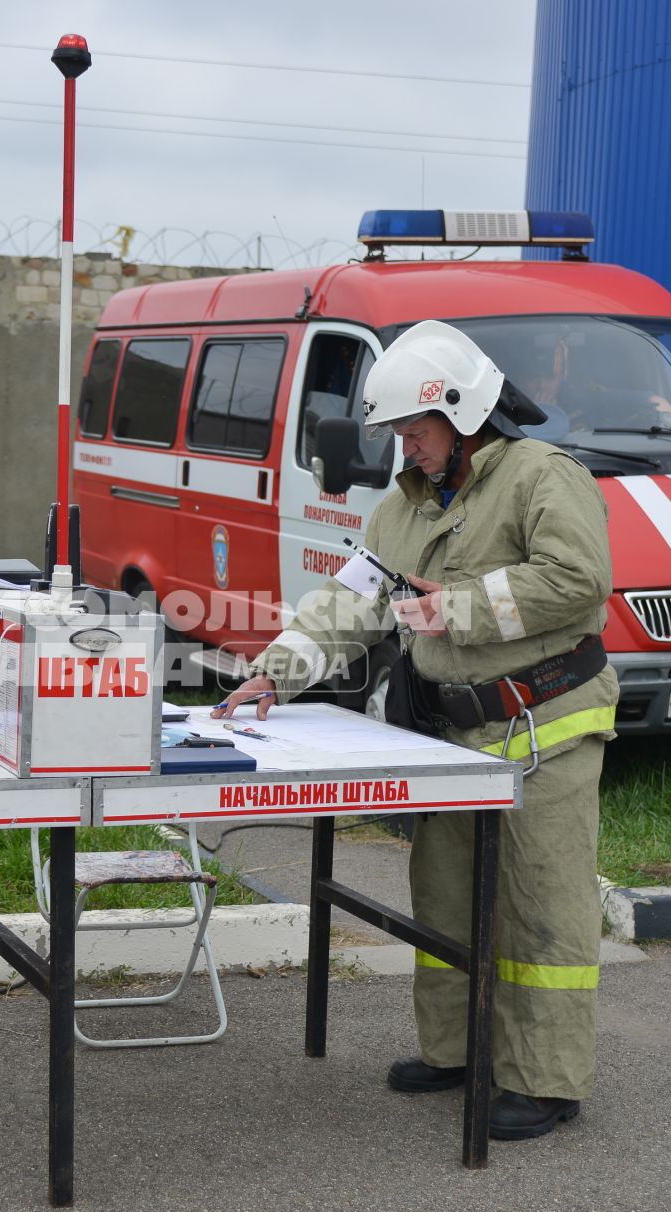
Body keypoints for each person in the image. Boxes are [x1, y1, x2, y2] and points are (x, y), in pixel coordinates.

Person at [214, 320, 617, 1141]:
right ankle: (456, 1050)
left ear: (465, 413)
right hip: (451, 740)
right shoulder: (402, 507)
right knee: (444, 898)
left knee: (540, 907)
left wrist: (453, 609)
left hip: (546, 731)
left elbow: (577, 582)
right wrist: (275, 670)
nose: (405, 446)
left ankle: (544, 1081)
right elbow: (351, 601)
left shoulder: (543, 478)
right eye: (397, 431)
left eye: (415, 428)